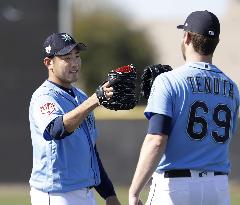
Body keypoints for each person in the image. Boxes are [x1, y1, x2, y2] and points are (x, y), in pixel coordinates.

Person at [129, 10, 239, 205]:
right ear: (216, 43)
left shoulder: (168, 81)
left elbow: (156, 141)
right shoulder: (232, 87)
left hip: (176, 186)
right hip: (218, 186)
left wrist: (135, 191)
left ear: (187, 37)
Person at [29, 32, 121, 205]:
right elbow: (56, 130)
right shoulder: (44, 96)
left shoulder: (80, 96)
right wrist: (94, 101)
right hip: (56, 194)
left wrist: (109, 194)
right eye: (66, 58)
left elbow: (90, 152)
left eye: (77, 56)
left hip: (85, 193)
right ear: (49, 63)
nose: (74, 63)